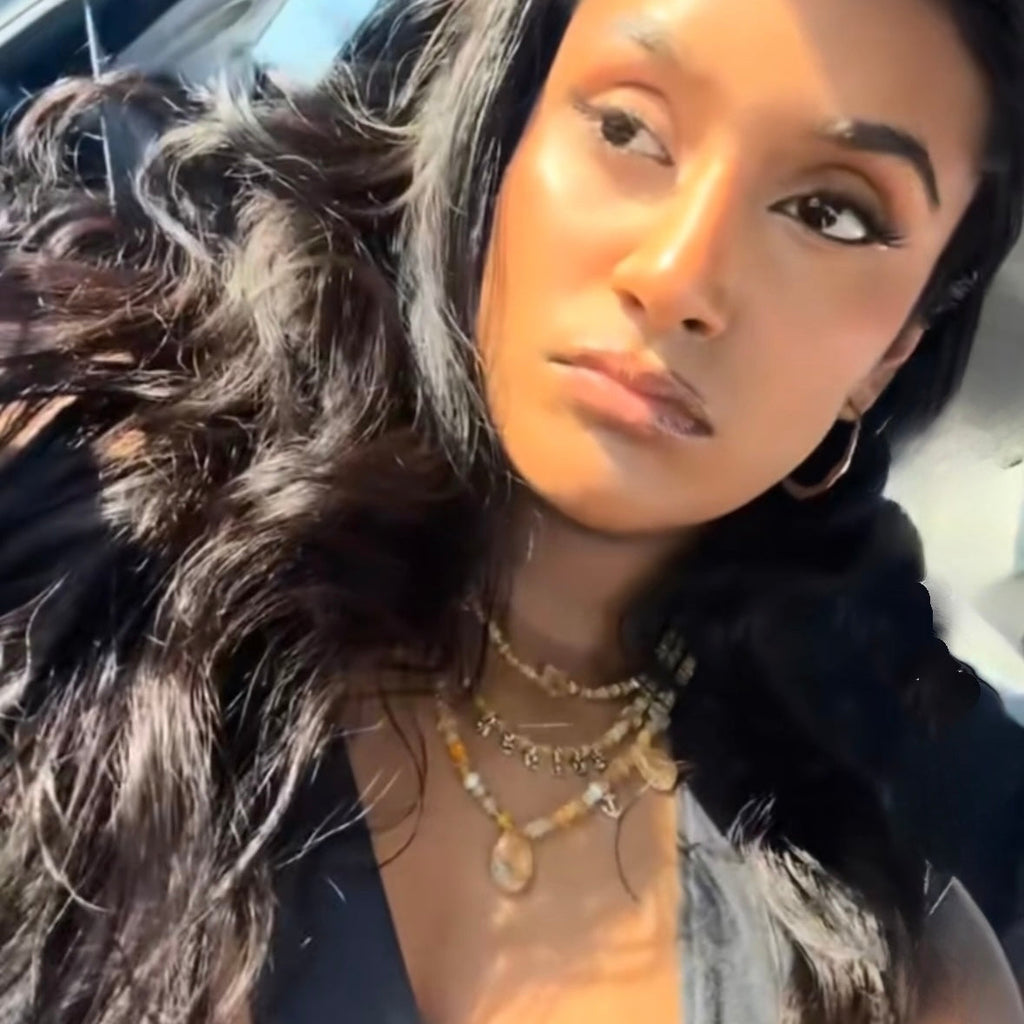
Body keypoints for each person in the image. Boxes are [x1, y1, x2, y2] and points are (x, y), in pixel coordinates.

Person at [0, 0, 1022, 1021]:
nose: (677, 277)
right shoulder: (86, 487)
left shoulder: (909, 981)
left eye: (831, 214)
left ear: (892, 350)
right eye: (626, 127)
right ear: (507, 136)